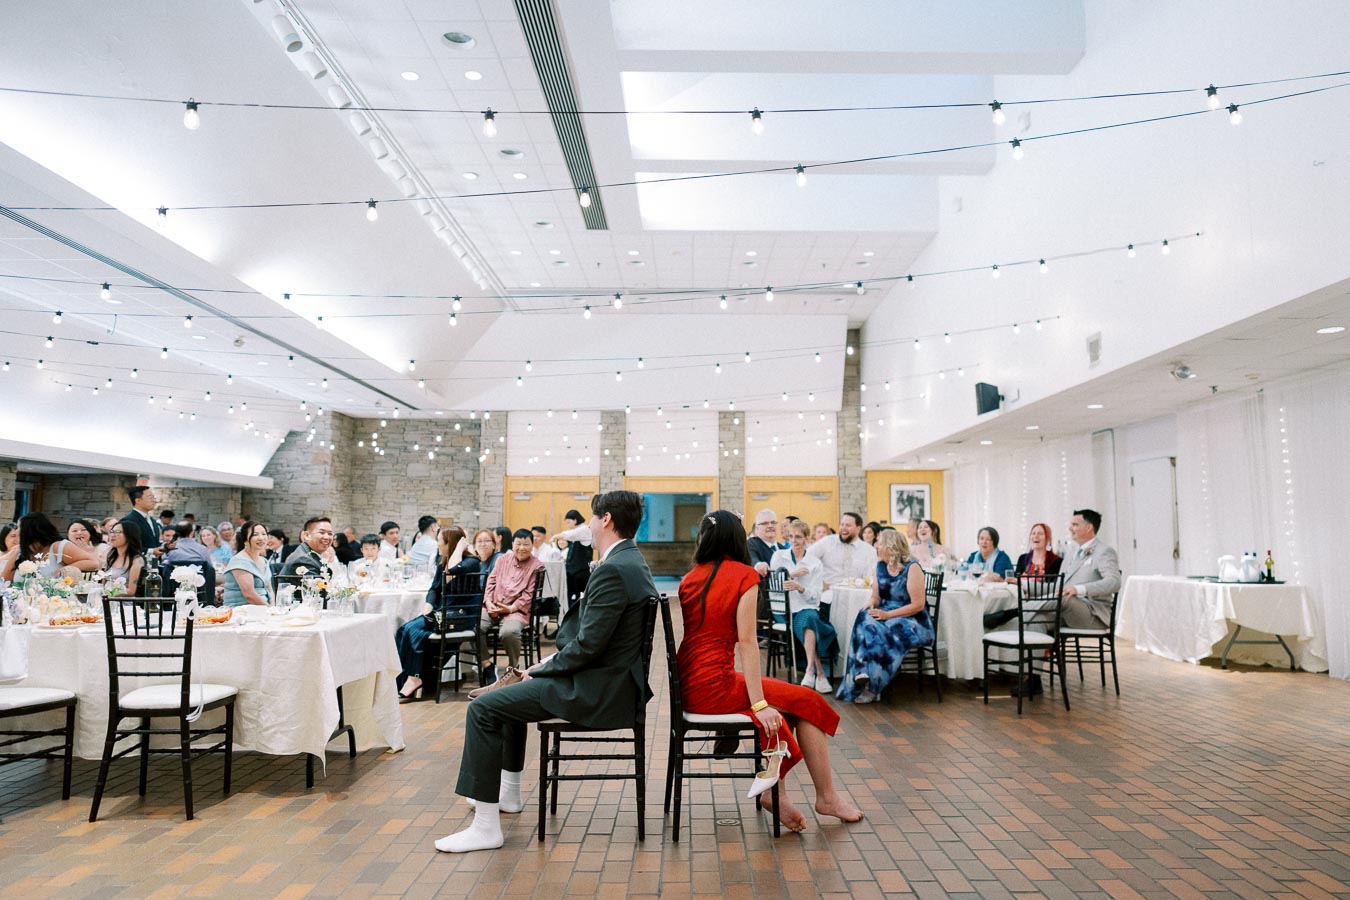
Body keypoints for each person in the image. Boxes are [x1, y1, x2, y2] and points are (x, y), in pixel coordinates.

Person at [436, 490, 656, 853]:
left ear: (606, 521)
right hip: (606, 679)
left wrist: (542, 669)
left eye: (591, 517)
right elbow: (593, 642)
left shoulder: (615, 569)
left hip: (596, 688)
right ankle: (507, 795)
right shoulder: (631, 561)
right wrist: (544, 667)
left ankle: (486, 827)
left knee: (484, 707)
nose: (588, 524)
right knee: (505, 698)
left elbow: (587, 647)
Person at [678, 510, 863, 834]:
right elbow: (749, 644)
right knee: (806, 700)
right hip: (716, 686)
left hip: (691, 683)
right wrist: (759, 705)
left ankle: (777, 790)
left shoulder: (690, 577)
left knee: (795, 702)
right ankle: (825, 797)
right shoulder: (744, 575)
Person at [836, 529, 933, 704]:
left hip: (912, 619)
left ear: (890, 546)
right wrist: (871, 603)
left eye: (878, 542)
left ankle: (873, 685)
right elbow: (876, 597)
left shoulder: (912, 567)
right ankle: (863, 671)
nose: (875, 546)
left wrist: (887, 614)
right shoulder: (880, 567)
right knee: (864, 616)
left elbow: (918, 605)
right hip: (887, 612)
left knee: (880, 628)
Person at [396, 527, 482, 700]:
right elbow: (434, 589)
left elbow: (454, 569)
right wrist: (428, 604)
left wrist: (458, 548)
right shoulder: (443, 562)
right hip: (442, 613)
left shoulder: (471, 562)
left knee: (415, 631)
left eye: (440, 541)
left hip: (460, 616)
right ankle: (406, 679)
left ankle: (415, 678)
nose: (437, 545)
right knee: (403, 630)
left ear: (449, 543)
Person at [769, 519, 836, 693]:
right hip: (782, 609)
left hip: (805, 607)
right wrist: (791, 574)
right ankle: (819, 672)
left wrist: (800, 588)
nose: (794, 540)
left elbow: (815, 597)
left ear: (807, 538)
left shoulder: (815, 563)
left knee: (810, 617)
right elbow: (772, 586)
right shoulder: (778, 556)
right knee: (811, 621)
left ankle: (810, 671)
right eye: (791, 536)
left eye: (798, 537)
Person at [477, 529, 545, 674]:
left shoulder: (537, 566)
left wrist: (509, 609)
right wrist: (488, 603)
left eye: (526, 544)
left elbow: (528, 596)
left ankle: (513, 668)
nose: (521, 548)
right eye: (518, 544)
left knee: (509, 632)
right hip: (493, 607)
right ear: (512, 544)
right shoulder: (502, 559)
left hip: (516, 611)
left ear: (532, 545)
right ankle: (487, 665)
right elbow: (491, 582)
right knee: (475, 626)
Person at [1060, 509, 1121, 628]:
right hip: (1066, 610)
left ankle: (1021, 609)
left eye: (1075, 525)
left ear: (1089, 528)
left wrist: (1079, 589)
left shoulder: (1104, 551)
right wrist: (1023, 584)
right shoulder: (1071, 552)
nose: (1070, 528)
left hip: (1093, 613)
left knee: (1060, 600)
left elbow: (1114, 582)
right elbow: (1059, 585)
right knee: (1038, 620)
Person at [1, 512, 100, 581]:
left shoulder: (59, 547)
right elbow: (4, 580)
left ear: (29, 531)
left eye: (19, 527)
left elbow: (93, 562)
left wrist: (64, 569)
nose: (16, 531)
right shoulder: (19, 552)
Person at [807, 513, 878, 601]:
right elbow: (806, 558)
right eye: (842, 524)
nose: (843, 528)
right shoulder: (827, 541)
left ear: (858, 528)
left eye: (848, 525)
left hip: (856, 598)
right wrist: (819, 582)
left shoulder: (869, 551)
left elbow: (871, 578)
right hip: (827, 596)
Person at [162, 520, 216, 602]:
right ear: (192, 533)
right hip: (199, 592)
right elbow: (209, 570)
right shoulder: (202, 549)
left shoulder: (169, 551)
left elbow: (165, 565)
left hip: (174, 593)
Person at [223, 521, 274, 607]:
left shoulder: (264, 561)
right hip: (240, 611)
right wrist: (269, 610)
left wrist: (273, 607)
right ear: (245, 539)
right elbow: (249, 595)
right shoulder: (239, 561)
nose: (261, 538)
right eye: (255, 534)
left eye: (264, 534)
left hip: (263, 609)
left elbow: (270, 590)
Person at [553, 509, 593, 604]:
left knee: (581, 596)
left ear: (575, 520)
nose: (568, 525)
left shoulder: (584, 529)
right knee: (570, 595)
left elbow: (570, 534)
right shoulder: (576, 531)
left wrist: (555, 536)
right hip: (572, 570)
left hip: (581, 569)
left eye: (568, 522)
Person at [103, 520, 145, 596]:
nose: (112, 535)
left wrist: (108, 593)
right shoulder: (110, 557)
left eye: (118, 532)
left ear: (129, 535)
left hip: (123, 604)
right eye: (112, 532)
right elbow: (102, 582)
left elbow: (131, 591)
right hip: (105, 601)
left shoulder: (136, 560)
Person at [120, 485, 161, 551]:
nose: (154, 501)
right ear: (138, 501)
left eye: (154, 497)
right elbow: (127, 546)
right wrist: (151, 551)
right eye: (150, 497)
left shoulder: (152, 520)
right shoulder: (128, 521)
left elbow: (154, 543)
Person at [747, 510, 779, 576]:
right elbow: (751, 557)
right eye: (765, 523)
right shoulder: (752, 543)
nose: (770, 526)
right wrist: (758, 564)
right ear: (757, 528)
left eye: (773, 522)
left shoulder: (782, 548)